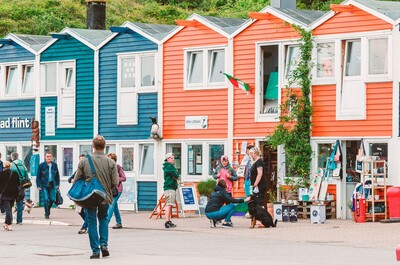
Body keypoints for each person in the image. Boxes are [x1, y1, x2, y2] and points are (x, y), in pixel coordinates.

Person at [73, 135, 118, 259]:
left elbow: (77, 180)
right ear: (104, 146)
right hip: (105, 196)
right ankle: (104, 245)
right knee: (103, 219)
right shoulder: (111, 162)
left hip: (90, 196)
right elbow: (115, 182)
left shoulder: (84, 161)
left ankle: (95, 250)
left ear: (93, 146)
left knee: (92, 221)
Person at [36, 152, 60, 219]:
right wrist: (38, 185)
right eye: (47, 156)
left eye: (50, 156)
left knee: (52, 199)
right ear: (45, 157)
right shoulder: (41, 165)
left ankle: (48, 210)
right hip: (44, 185)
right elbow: (38, 176)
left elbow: (57, 176)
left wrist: (57, 184)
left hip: (52, 184)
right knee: (46, 199)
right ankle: (47, 214)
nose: (49, 158)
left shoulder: (54, 165)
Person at [68, 154, 88, 234]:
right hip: (78, 193)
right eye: (80, 160)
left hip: (86, 192)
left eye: (83, 160)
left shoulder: (88, 171)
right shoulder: (78, 171)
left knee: (87, 211)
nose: (81, 162)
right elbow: (70, 179)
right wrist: (73, 180)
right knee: (80, 211)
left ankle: (84, 227)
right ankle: (89, 224)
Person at [106, 152, 126, 229]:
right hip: (110, 190)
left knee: (111, 205)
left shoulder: (118, 167)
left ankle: (106, 222)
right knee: (114, 207)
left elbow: (124, 178)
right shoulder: (107, 168)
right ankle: (119, 223)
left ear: (114, 160)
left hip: (117, 190)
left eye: (110, 160)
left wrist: (115, 179)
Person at [0, 161, 20, 231]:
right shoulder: (14, 173)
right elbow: (18, 184)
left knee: (8, 210)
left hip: (5, 195)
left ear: (4, 167)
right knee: (9, 209)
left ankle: (9, 224)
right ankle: (6, 223)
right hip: (13, 194)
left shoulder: (1, 174)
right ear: (10, 166)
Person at [10, 152, 29, 224]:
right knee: (20, 202)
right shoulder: (23, 165)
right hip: (21, 186)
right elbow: (26, 176)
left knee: (10, 202)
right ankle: (19, 220)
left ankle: (10, 220)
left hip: (12, 186)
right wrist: (25, 186)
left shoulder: (11, 165)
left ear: (12, 157)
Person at [163, 152, 180, 229]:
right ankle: (167, 221)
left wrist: (176, 176)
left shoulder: (169, 166)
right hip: (169, 187)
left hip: (171, 187)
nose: (173, 159)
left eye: (173, 158)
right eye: (171, 158)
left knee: (170, 204)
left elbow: (176, 175)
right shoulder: (169, 167)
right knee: (169, 204)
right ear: (167, 159)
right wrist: (176, 176)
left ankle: (169, 221)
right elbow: (176, 175)